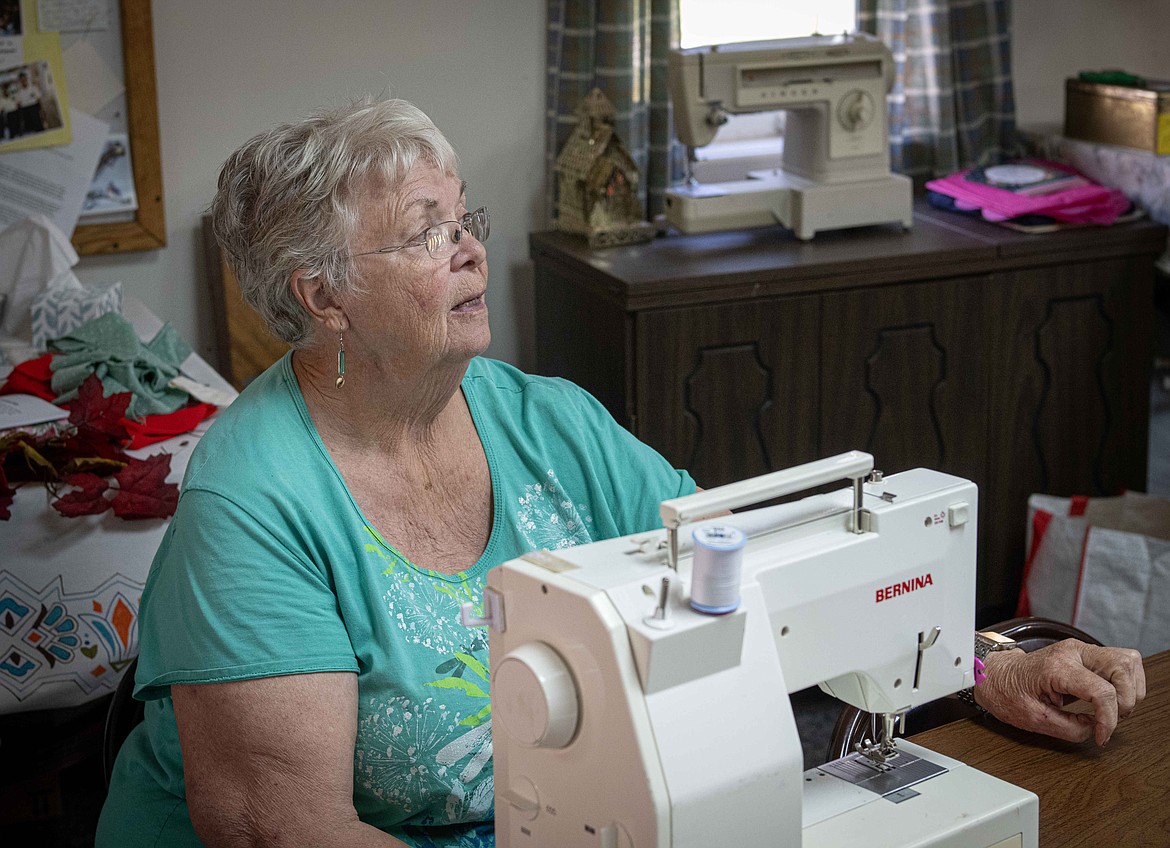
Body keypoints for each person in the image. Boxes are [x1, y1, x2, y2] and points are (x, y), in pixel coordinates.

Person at [97, 98, 1146, 848]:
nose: (467, 249)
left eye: (464, 218)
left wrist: (984, 662)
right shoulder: (253, 502)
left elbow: (760, 572)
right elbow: (281, 827)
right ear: (322, 297)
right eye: (427, 233)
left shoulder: (548, 423)